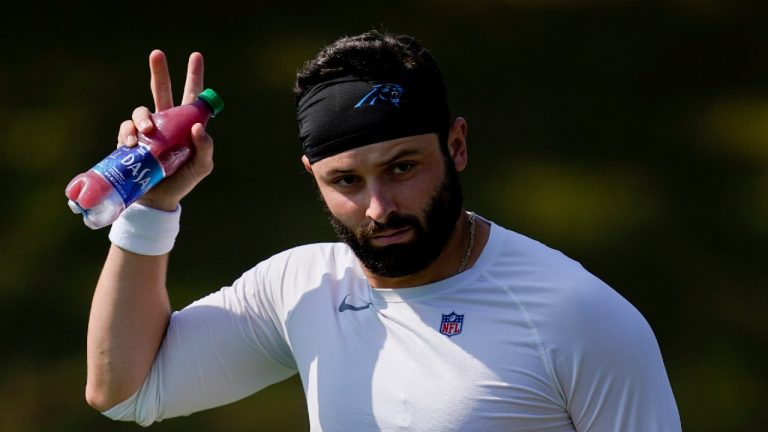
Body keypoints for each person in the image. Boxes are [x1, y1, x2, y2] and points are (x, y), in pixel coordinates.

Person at [84, 31, 681, 431]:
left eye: (402, 168)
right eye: (345, 180)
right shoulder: (300, 287)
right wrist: (150, 207)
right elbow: (125, 391)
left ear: (456, 145)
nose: (378, 207)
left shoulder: (580, 317)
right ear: (312, 178)